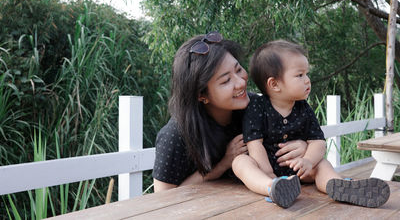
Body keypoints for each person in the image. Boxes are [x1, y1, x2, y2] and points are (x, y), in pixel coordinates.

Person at [232, 40, 390, 208]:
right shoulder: (257, 106)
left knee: (321, 164)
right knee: (241, 162)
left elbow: (318, 141)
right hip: (265, 169)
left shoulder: (304, 108)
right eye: (300, 75)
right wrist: (270, 175)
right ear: (274, 84)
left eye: (306, 74)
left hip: (300, 168)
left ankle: (337, 185)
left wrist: (307, 161)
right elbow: (255, 144)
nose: (307, 80)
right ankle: (271, 187)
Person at [152, 32, 308, 192]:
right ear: (201, 95)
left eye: (239, 69)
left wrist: (303, 147)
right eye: (226, 80)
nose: (241, 83)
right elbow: (163, 197)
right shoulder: (176, 134)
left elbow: (287, 138)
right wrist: (223, 165)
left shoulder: (256, 107)